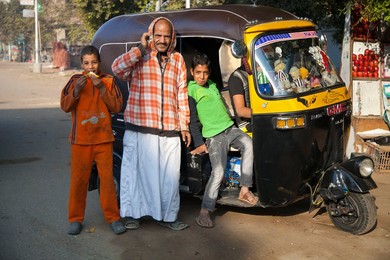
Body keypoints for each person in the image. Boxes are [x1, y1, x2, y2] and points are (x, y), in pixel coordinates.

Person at [111, 17, 191, 231]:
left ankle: (168, 216)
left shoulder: (178, 60)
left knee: (170, 177)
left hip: (169, 131)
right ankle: (132, 215)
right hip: (139, 129)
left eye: (167, 35)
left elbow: (181, 93)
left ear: (172, 37)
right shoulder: (140, 56)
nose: (162, 40)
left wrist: (184, 125)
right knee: (134, 175)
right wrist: (140, 48)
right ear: (150, 35)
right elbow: (117, 69)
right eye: (158, 35)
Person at [60, 45, 126, 235]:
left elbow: (116, 106)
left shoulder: (108, 81)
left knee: (106, 181)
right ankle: (75, 219)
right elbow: (65, 106)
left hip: (104, 139)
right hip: (80, 140)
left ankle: (113, 218)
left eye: (94, 63)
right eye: (87, 63)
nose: (91, 67)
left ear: (99, 63)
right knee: (78, 181)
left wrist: (101, 88)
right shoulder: (74, 81)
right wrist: (76, 92)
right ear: (81, 64)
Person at [188, 54, 258, 228]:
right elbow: (192, 119)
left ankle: (244, 190)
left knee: (249, 145)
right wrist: (199, 143)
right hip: (213, 136)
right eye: (198, 73)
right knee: (218, 172)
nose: (202, 76)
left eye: (205, 72)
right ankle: (205, 211)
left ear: (209, 72)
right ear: (192, 72)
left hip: (229, 128)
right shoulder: (191, 90)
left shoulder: (212, 85)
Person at [227, 62, 253, 132]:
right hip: (247, 126)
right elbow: (241, 111)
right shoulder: (237, 77)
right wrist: (266, 113)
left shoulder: (262, 73)